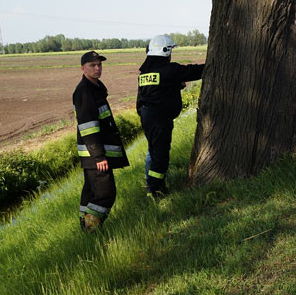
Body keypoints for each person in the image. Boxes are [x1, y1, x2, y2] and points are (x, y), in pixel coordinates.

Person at [137, 35, 205, 198]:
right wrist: (213, 65)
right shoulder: (170, 70)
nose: (171, 55)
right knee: (160, 156)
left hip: (147, 117)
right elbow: (193, 71)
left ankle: (152, 186)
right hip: (159, 120)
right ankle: (156, 190)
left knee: (153, 152)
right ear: (165, 51)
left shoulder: (145, 73)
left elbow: (152, 93)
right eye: (170, 51)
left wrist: (174, 87)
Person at [73, 50, 130, 232]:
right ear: (83, 68)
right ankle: (91, 230)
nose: (97, 68)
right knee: (106, 193)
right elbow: (88, 127)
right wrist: (99, 156)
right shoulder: (84, 91)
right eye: (93, 65)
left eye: (99, 65)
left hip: (93, 154)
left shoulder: (96, 88)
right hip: (95, 155)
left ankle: (84, 227)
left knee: (91, 191)